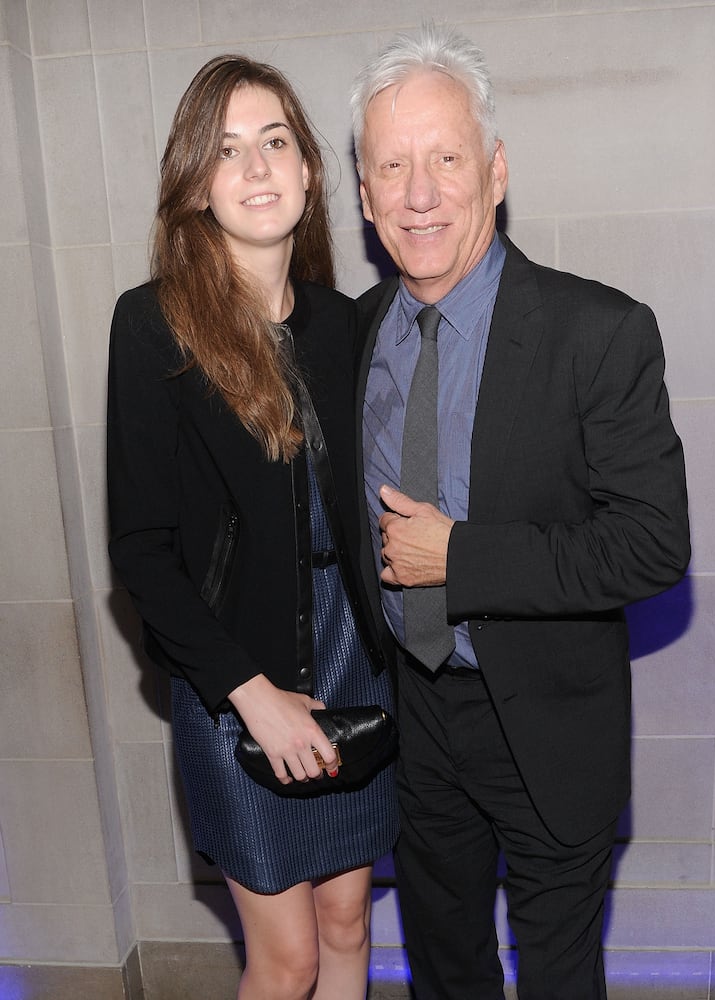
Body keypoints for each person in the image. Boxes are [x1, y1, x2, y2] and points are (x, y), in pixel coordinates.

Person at [350, 23, 690, 1000]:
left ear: (494, 172)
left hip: (548, 727)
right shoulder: (355, 334)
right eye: (392, 166)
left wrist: (460, 558)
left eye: (446, 159)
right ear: (365, 196)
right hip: (413, 725)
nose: (419, 193)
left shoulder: (599, 332)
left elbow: (652, 544)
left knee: (556, 979)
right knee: (443, 970)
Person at [107, 55, 398, 1000]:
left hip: (353, 661)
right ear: (196, 184)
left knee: (349, 926)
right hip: (233, 676)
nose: (258, 167)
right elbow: (140, 552)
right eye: (227, 150)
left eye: (275, 141)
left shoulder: (345, 323)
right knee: (287, 960)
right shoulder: (153, 325)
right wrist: (249, 693)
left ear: (310, 169)